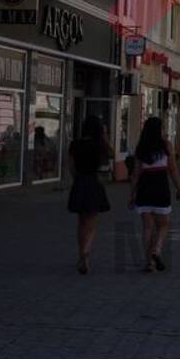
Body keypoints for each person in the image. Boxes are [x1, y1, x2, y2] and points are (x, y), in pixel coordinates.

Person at [131, 115, 180, 272]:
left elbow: (136, 173)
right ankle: (157, 250)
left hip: (144, 188)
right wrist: (179, 189)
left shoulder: (141, 148)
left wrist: (132, 194)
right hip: (160, 187)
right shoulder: (166, 146)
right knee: (163, 224)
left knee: (147, 227)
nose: (164, 131)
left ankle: (149, 262)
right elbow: (173, 170)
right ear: (158, 130)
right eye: (162, 128)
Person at [67, 115, 112, 275]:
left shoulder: (75, 144)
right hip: (94, 182)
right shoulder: (99, 145)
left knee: (81, 222)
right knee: (92, 222)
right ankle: (86, 252)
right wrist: (105, 136)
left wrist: (76, 178)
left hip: (79, 182)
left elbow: (71, 165)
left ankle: (81, 254)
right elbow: (112, 155)